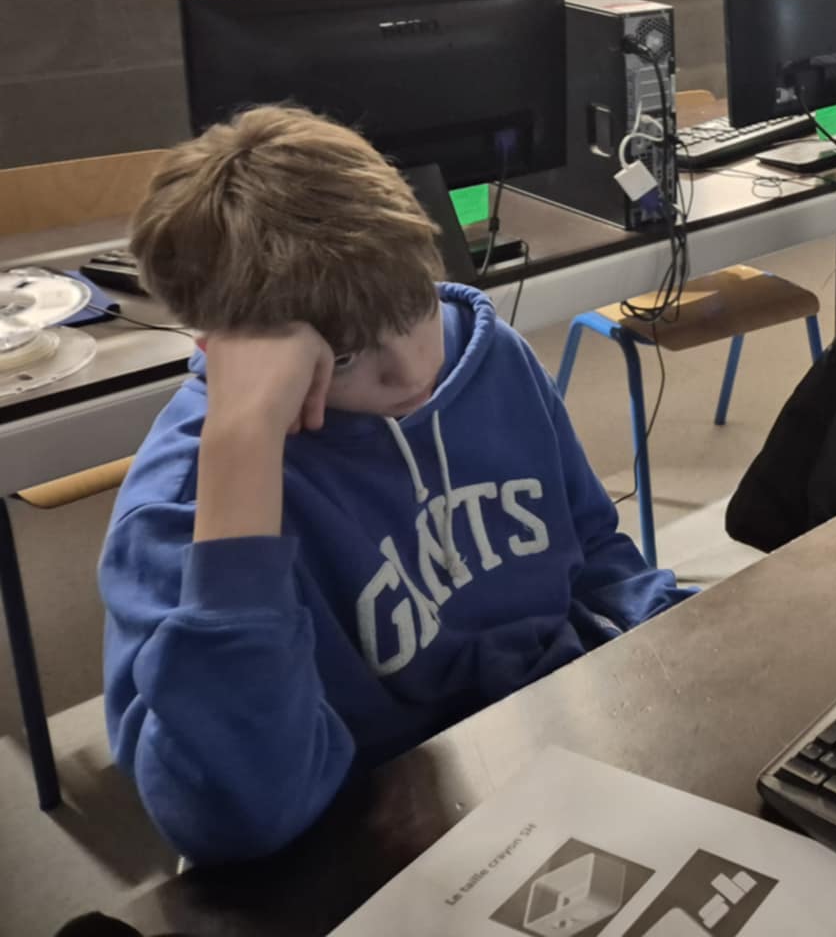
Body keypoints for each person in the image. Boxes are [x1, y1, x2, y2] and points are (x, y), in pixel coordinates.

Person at [99, 107, 686, 864]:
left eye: (416, 307)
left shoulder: (489, 355)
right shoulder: (189, 504)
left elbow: (593, 548)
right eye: (343, 358)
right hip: (366, 834)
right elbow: (235, 820)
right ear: (230, 350)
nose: (412, 370)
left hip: (551, 747)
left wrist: (671, 643)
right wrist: (243, 450)